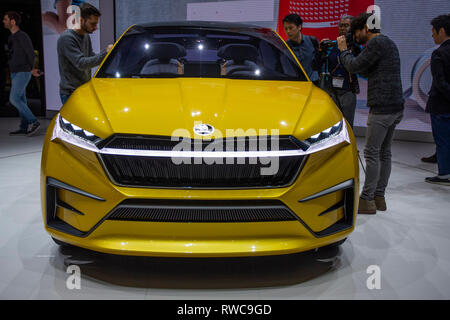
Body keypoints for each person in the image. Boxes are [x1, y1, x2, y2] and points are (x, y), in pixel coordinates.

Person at [337, 12, 404, 214]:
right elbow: (365, 71)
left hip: (382, 109)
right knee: (385, 153)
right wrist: (354, 54)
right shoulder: (387, 43)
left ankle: (367, 200)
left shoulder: (375, 44)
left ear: (366, 29)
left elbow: (354, 66)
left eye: (356, 32)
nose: (355, 37)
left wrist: (343, 51)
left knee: (372, 154)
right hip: (395, 107)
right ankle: (379, 198)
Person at [57, 3, 113, 104]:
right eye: (92, 24)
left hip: (83, 90)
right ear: (81, 20)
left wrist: (109, 55)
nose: (95, 27)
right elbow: (81, 63)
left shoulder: (86, 36)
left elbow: (91, 57)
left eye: (96, 24)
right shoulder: (67, 38)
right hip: (71, 93)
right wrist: (105, 53)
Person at [3, 11, 42, 136]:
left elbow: (30, 54)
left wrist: (30, 69)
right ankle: (24, 126)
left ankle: (34, 121)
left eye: (6, 19)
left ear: (13, 21)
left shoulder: (22, 36)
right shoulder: (11, 38)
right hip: (15, 72)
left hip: (23, 72)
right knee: (21, 100)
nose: (4, 21)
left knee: (14, 99)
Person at [319, 15, 360, 128]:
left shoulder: (356, 47)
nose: (342, 28)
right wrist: (321, 50)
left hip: (347, 90)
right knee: (333, 123)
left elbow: (357, 66)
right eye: (341, 25)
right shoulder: (333, 44)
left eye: (346, 25)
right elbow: (322, 64)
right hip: (332, 90)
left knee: (347, 124)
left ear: (352, 28)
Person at [424, 14, 450, 186]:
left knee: (443, 140)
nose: (432, 35)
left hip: (442, 105)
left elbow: (440, 82)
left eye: (433, 31)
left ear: (442, 30)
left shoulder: (439, 53)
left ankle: (444, 174)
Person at [283, 14, 321, 85]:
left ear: (299, 27)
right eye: (286, 29)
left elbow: (320, 61)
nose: (288, 31)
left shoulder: (312, 41)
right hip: (295, 84)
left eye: (291, 28)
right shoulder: (285, 47)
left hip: (313, 83)